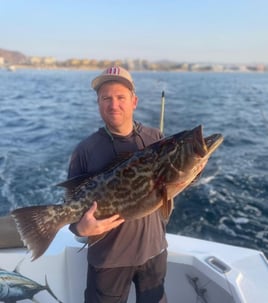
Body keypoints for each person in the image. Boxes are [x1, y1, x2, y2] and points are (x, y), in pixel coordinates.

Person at [68, 66, 168, 303]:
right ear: (98, 103)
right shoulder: (85, 151)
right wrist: (81, 230)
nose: (114, 105)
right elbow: (71, 210)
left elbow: (173, 182)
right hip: (108, 260)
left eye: (121, 97)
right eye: (106, 98)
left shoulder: (157, 139)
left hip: (153, 252)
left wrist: (194, 170)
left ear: (134, 101)